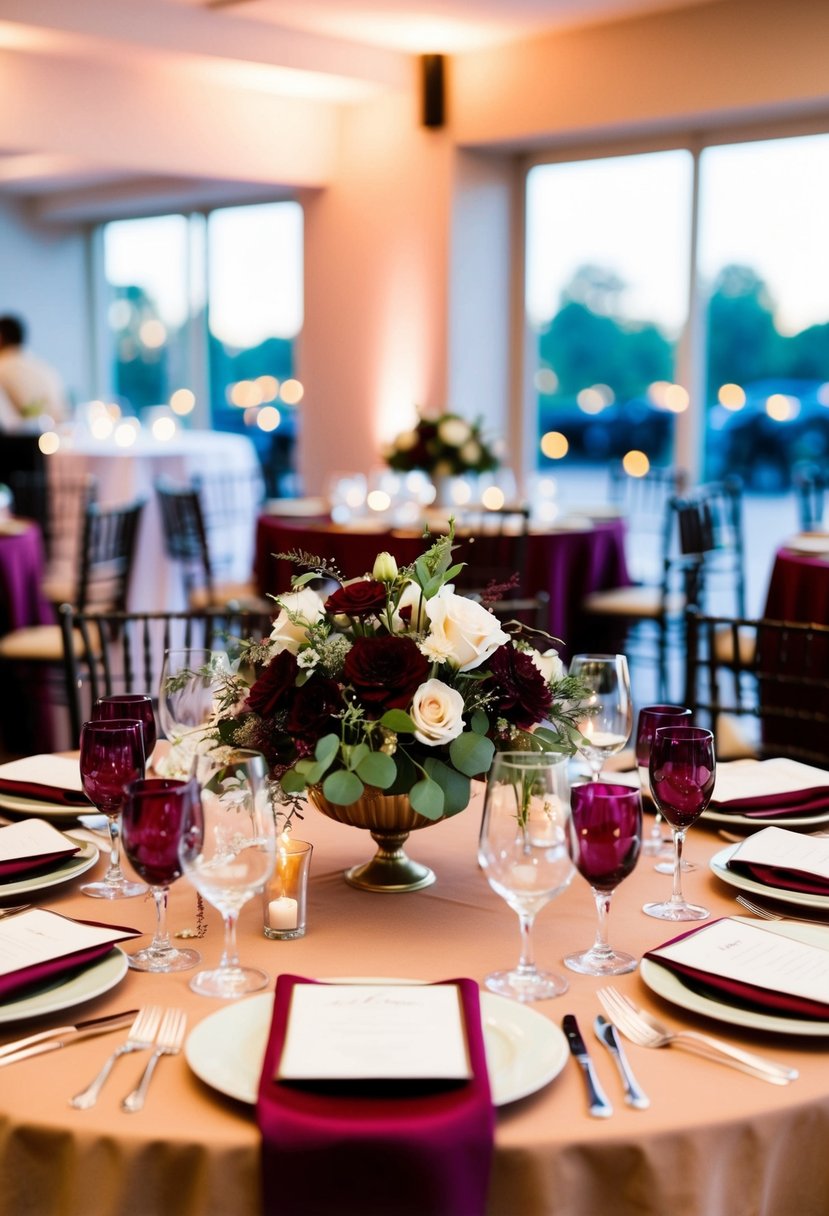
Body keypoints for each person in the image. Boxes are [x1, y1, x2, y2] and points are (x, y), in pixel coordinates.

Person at [0, 314, 68, 430]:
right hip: (55, 441)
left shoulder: (3, 368)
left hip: (20, 444)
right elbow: (62, 414)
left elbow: (8, 425)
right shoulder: (44, 368)